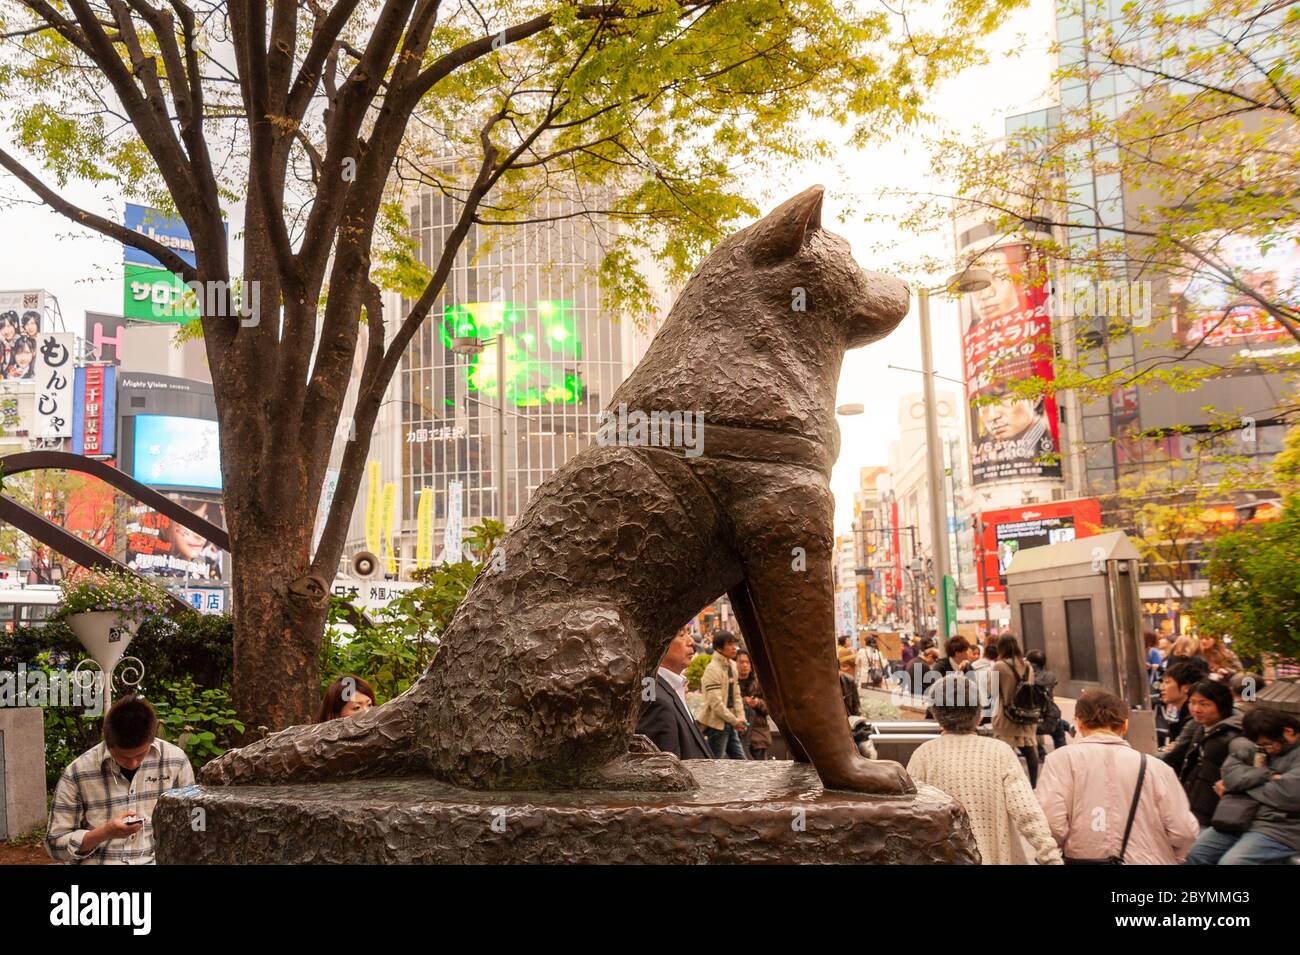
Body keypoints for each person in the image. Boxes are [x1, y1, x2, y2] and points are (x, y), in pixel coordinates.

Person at [907, 675, 1062, 865]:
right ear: (979, 715)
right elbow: (1026, 811)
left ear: (937, 715)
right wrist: (1050, 856)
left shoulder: (923, 756)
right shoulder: (999, 752)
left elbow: (911, 818)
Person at [1035, 690, 1199, 864]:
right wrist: (1175, 857)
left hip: (1083, 859)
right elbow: (1184, 830)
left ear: (1080, 723)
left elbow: (1051, 824)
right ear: (1124, 725)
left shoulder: (1060, 761)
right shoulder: (1157, 768)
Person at [45, 695, 195, 864]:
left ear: (151, 739)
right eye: (123, 757)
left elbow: (192, 824)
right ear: (108, 743)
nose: (132, 763)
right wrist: (104, 832)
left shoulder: (175, 762)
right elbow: (54, 845)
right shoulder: (78, 772)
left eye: (140, 755)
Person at [1185, 708, 1300, 865]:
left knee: (1232, 863)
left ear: (1289, 732)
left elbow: (1289, 794)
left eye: (1269, 744)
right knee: (1196, 853)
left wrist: (1238, 787)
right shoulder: (1258, 748)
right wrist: (1267, 775)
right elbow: (1229, 773)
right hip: (1238, 817)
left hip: (1280, 827)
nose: (1267, 750)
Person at [1174, 679, 1243, 828]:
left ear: (1222, 706)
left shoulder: (1234, 737)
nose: (1196, 709)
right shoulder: (1201, 727)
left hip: (1215, 815)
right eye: (1192, 703)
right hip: (1193, 809)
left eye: (1204, 704)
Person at [636, 629, 712, 759]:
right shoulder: (654, 698)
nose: (691, 642)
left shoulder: (669, 687)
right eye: (681, 635)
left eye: (688, 634)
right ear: (659, 644)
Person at [993, 633, 1041, 787]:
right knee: (1029, 750)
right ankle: (1033, 785)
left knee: (1005, 753)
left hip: (1007, 717)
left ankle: (1009, 785)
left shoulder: (999, 666)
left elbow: (991, 690)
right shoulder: (1027, 666)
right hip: (1027, 715)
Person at [700, 630, 748, 758]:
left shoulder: (732, 665)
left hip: (730, 722)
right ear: (719, 648)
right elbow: (716, 704)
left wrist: (740, 718)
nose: (734, 647)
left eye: (734, 643)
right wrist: (735, 721)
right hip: (716, 724)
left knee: (741, 761)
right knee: (716, 762)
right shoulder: (712, 669)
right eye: (730, 644)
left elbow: (737, 695)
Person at [1158, 661, 1204, 764]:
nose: (1161, 688)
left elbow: (1174, 755)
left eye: (1167, 682)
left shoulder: (1195, 717)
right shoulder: (1183, 714)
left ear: (1186, 688)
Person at [1026, 648, 1067, 757]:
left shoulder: (1026, 677)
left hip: (1031, 717)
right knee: (1059, 733)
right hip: (1050, 715)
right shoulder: (1050, 675)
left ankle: (1041, 754)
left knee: (1027, 735)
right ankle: (1062, 755)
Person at [735, 650, 771, 760]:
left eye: (747, 662)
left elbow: (771, 708)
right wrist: (743, 701)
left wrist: (757, 703)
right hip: (737, 731)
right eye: (741, 662)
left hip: (758, 733)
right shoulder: (731, 682)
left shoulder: (759, 683)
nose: (745, 665)